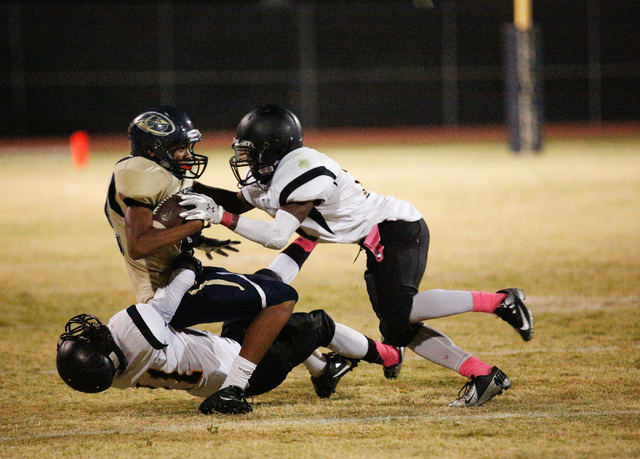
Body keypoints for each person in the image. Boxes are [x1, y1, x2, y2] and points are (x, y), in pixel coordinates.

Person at [177, 104, 534, 407]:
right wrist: (186, 186)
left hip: (397, 228)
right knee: (396, 327)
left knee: (399, 311)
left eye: (250, 151)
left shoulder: (302, 171)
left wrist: (219, 218)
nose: (244, 159)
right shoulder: (273, 176)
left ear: (273, 150)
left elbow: (275, 236)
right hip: (375, 239)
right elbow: (240, 201)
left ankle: (501, 301)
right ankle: (483, 375)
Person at [103, 106, 298, 413]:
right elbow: (139, 244)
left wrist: (275, 187)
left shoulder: (162, 173)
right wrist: (195, 226)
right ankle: (234, 388)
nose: (186, 155)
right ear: (153, 150)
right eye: (179, 148)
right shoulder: (139, 173)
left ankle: (319, 364)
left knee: (265, 285)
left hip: (181, 277)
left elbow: (231, 201)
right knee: (281, 297)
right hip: (166, 294)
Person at [56, 258, 403, 414]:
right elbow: (166, 302)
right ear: (105, 355)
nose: (93, 332)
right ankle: (387, 355)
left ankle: (325, 373)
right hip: (249, 369)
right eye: (91, 340)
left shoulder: (117, 377)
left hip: (220, 361)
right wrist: (188, 268)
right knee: (317, 324)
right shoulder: (132, 334)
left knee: (260, 295)